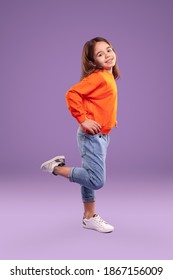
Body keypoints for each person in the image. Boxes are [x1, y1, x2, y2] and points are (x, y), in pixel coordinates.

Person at [41, 37, 120, 233]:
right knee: (96, 180)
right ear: (93, 62)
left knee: (88, 176)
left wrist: (109, 119)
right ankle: (56, 168)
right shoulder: (98, 76)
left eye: (108, 50)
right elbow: (72, 94)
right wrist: (83, 119)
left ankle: (89, 217)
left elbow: (100, 102)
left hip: (101, 135)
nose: (107, 55)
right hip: (92, 136)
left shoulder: (108, 76)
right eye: (100, 54)